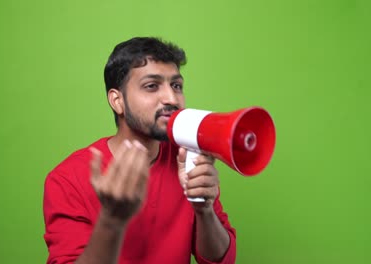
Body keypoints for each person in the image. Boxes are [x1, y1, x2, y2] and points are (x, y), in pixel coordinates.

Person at [43, 37, 236, 264]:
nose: (172, 99)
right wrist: (112, 219)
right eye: (151, 86)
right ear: (117, 101)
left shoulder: (187, 157)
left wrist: (205, 210)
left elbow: (221, 259)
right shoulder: (67, 180)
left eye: (176, 86)